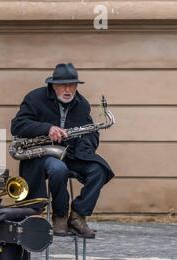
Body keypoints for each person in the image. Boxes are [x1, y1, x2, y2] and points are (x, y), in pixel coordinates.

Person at [11, 63, 114, 238]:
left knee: (99, 170)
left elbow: (92, 133)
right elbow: (17, 125)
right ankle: (60, 215)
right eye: (63, 85)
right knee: (58, 169)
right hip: (42, 154)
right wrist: (47, 128)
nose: (68, 90)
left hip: (72, 153)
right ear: (53, 85)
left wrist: (85, 146)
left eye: (72, 85)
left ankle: (78, 215)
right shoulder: (35, 98)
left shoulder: (81, 104)